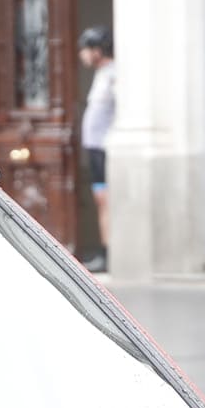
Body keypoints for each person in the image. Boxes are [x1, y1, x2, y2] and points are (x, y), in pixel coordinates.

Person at [78, 26, 116, 268]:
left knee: (105, 201)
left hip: (104, 150)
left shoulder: (114, 74)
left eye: (85, 49)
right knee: (102, 200)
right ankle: (105, 250)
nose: (82, 55)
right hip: (94, 149)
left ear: (97, 50)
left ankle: (108, 253)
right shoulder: (102, 74)